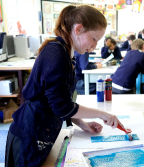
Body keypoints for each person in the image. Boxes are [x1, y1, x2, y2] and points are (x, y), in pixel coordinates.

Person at [5, 5, 124, 166]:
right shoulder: (56, 53)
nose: (94, 46)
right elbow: (62, 106)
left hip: (43, 130)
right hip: (30, 134)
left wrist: (82, 123)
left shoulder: (67, 53)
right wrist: (102, 114)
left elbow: (60, 101)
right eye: (94, 39)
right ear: (79, 29)